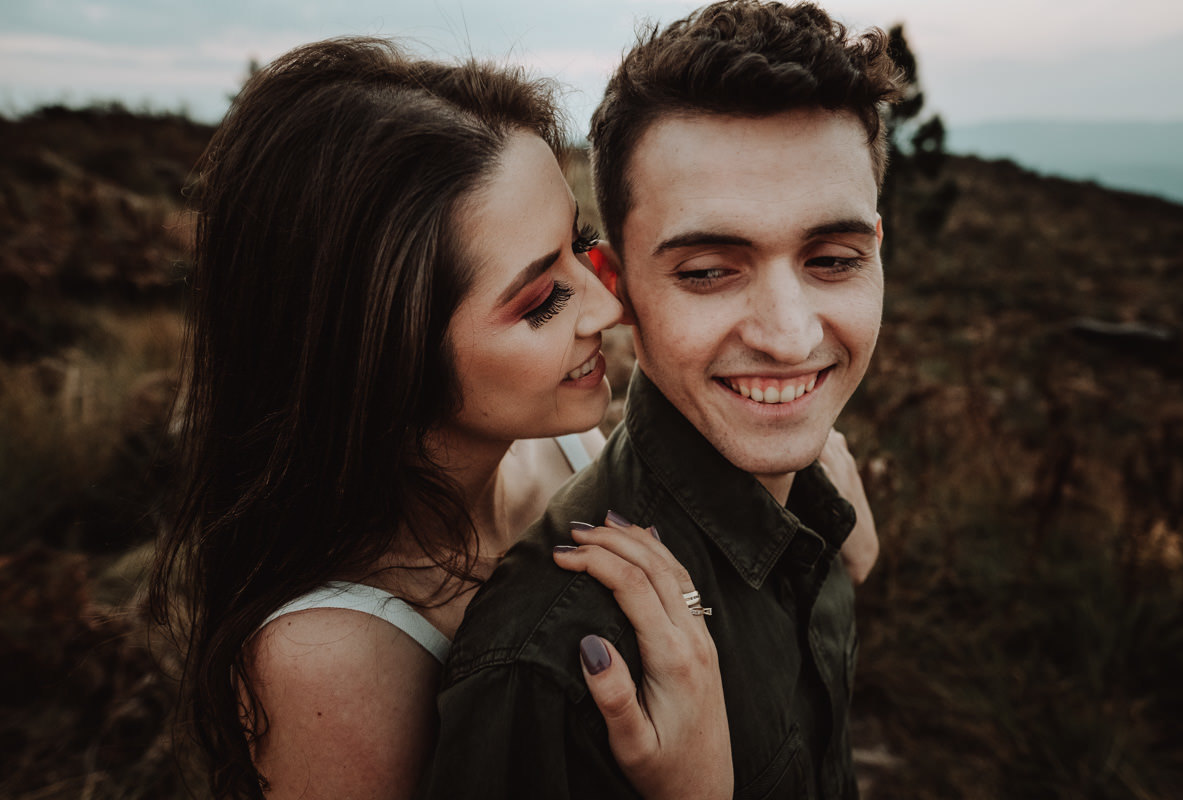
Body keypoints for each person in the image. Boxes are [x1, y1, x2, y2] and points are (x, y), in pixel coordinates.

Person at [148, 37, 738, 800]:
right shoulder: (331, 663)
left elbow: (707, 604)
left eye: (580, 244)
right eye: (540, 301)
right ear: (383, 349)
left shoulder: (557, 448)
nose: (607, 305)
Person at [417, 2, 901, 797]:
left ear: (877, 250)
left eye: (833, 259)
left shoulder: (823, 506)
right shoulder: (558, 661)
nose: (787, 337)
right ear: (618, 288)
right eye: (709, 270)